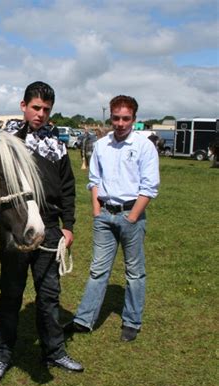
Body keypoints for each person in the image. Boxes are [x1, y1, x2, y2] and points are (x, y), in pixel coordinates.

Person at [0, 81, 84, 381]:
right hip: (18, 229)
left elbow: (68, 188)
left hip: (51, 230)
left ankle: (54, 351)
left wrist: (68, 227)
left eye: (46, 109)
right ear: (23, 106)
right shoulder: (7, 143)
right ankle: (3, 353)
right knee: (11, 294)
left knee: (49, 296)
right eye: (36, 107)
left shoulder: (57, 145)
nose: (40, 114)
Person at [65, 95, 160, 342]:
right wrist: (97, 212)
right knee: (98, 270)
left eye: (125, 118)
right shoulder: (102, 145)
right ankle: (84, 320)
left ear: (134, 119)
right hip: (105, 215)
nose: (120, 123)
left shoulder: (144, 146)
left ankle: (132, 321)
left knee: (135, 272)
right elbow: (94, 180)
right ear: (110, 116)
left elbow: (149, 187)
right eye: (116, 118)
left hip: (131, 215)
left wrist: (132, 218)